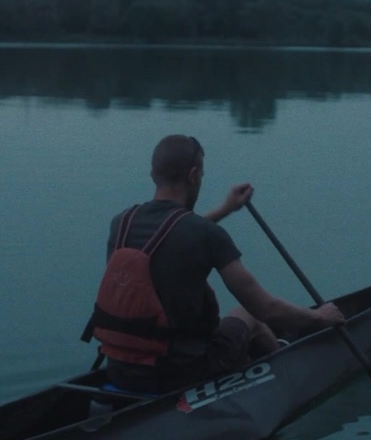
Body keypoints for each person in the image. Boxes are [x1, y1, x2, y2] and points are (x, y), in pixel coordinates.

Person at [81, 133, 344, 395]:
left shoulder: (121, 224)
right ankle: (284, 378)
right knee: (247, 315)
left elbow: (171, 238)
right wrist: (319, 318)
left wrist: (226, 209)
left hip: (121, 368)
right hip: (181, 374)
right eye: (202, 177)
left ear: (153, 174)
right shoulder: (205, 235)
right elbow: (266, 309)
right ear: (193, 175)